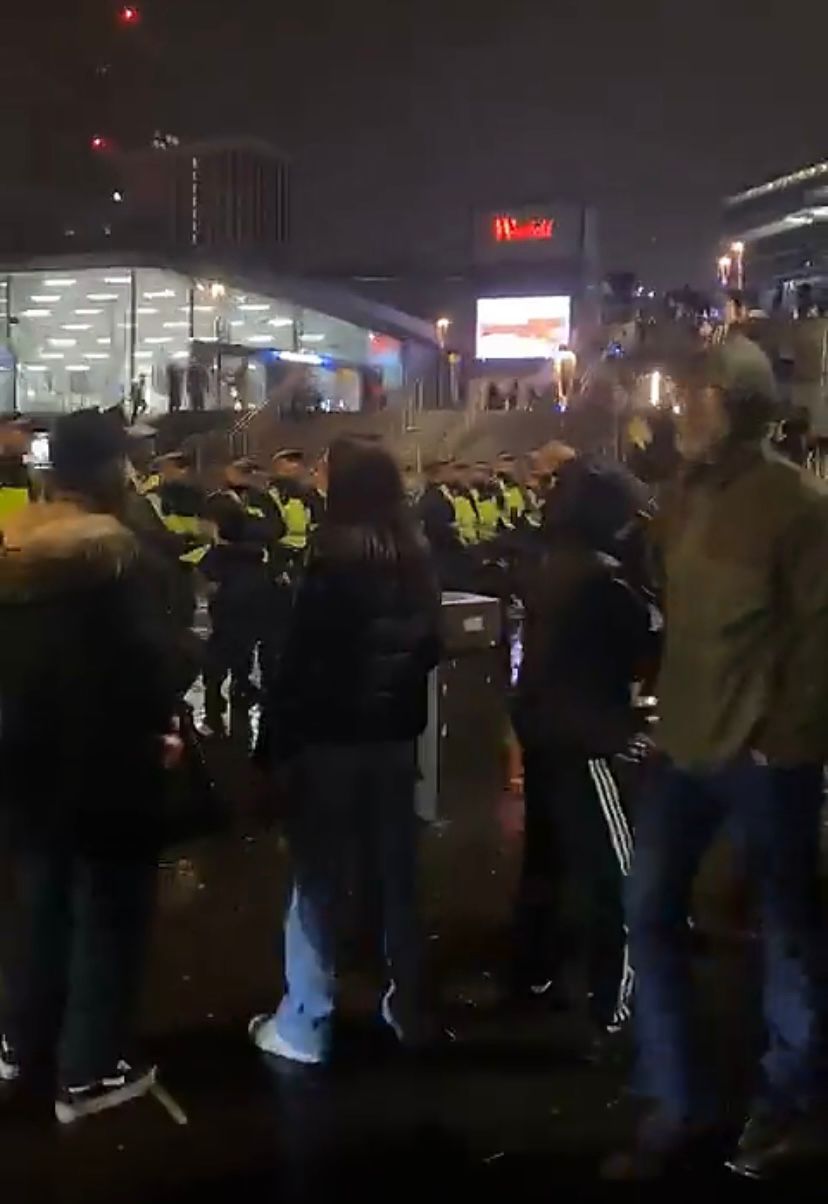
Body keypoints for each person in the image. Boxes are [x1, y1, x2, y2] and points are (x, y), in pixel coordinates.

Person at [613, 333, 828, 1180]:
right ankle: (677, 1102)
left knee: (787, 932)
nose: (681, 410)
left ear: (740, 409)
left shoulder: (797, 508)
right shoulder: (686, 497)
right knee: (651, 910)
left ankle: (789, 1108)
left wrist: (786, 742)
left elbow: (820, 640)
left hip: (764, 755)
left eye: (697, 396)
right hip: (685, 744)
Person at [0, 410, 181, 1123]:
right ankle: (89, 1072)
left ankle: (21, 1046)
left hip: (23, 764)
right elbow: (150, 665)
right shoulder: (120, 557)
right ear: (112, 471)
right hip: (108, 770)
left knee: (38, 908)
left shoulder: (14, 548)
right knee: (106, 916)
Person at [250, 439, 441, 1064]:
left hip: (329, 742)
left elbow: (298, 664)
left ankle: (306, 1020)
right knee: (396, 877)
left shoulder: (328, 558)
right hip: (392, 739)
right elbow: (429, 646)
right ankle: (407, 1007)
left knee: (318, 878)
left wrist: (271, 748)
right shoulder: (416, 555)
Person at [512, 456, 653, 1035]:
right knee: (616, 872)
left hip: (543, 729)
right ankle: (612, 999)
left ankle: (533, 971)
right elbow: (640, 653)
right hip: (589, 738)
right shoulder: (607, 582)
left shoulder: (552, 564)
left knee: (545, 862)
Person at [200, 492, 270, 738]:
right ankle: (242, 694)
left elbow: (213, 586)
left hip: (230, 617)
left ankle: (214, 716)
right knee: (241, 658)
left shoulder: (220, 556)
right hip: (248, 617)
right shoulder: (254, 551)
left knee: (214, 664)